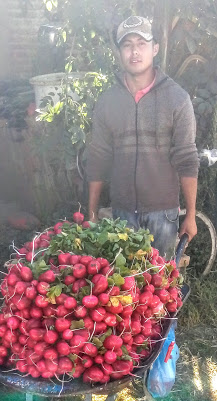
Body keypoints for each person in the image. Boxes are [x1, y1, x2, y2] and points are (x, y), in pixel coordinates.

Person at [86, 15, 199, 258]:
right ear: (119, 52)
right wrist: (92, 212)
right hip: (122, 214)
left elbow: (187, 158)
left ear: (154, 48)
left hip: (163, 214)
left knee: (162, 288)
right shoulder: (108, 102)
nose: (134, 51)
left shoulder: (177, 99)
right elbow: (98, 158)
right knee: (123, 291)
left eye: (141, 43)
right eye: (127, 45)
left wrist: (190, 214)